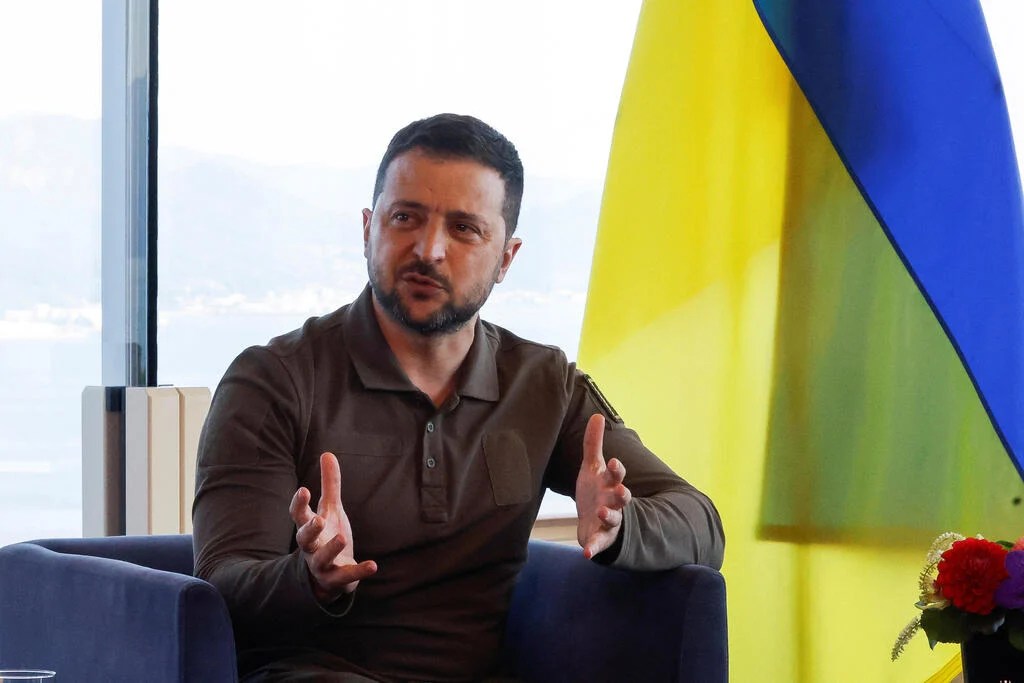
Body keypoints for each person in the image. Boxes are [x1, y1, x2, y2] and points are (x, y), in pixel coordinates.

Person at [192, 113, 725, 682]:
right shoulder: (272, 380)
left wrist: (621, 525)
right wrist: (312, 577)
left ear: (506, 259)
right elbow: (220, 586)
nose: (429, 250)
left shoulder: (542, 383)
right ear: (368, 228)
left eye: (465, 229)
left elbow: (701, 523)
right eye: (405, 218)